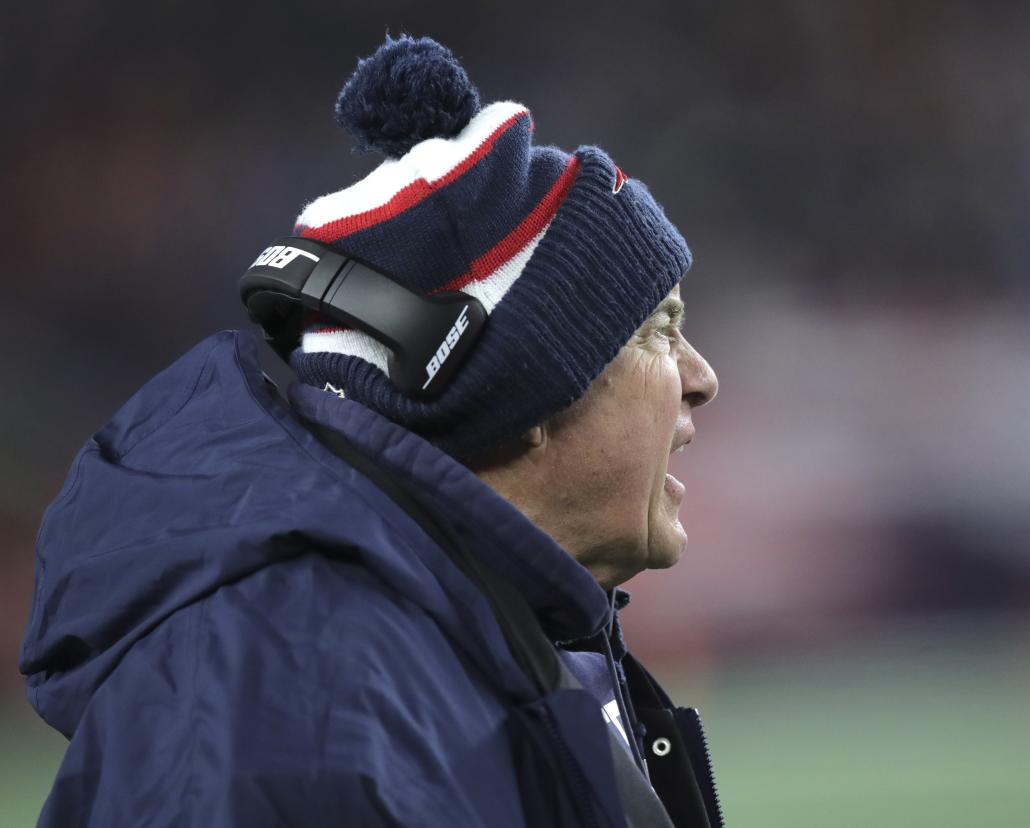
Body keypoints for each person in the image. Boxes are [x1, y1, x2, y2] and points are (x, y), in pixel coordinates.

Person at [20, 34, 722, 828]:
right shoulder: (304, 702)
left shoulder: (434, 637)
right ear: (526, 398)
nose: (702, 378)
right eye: (660, 330)